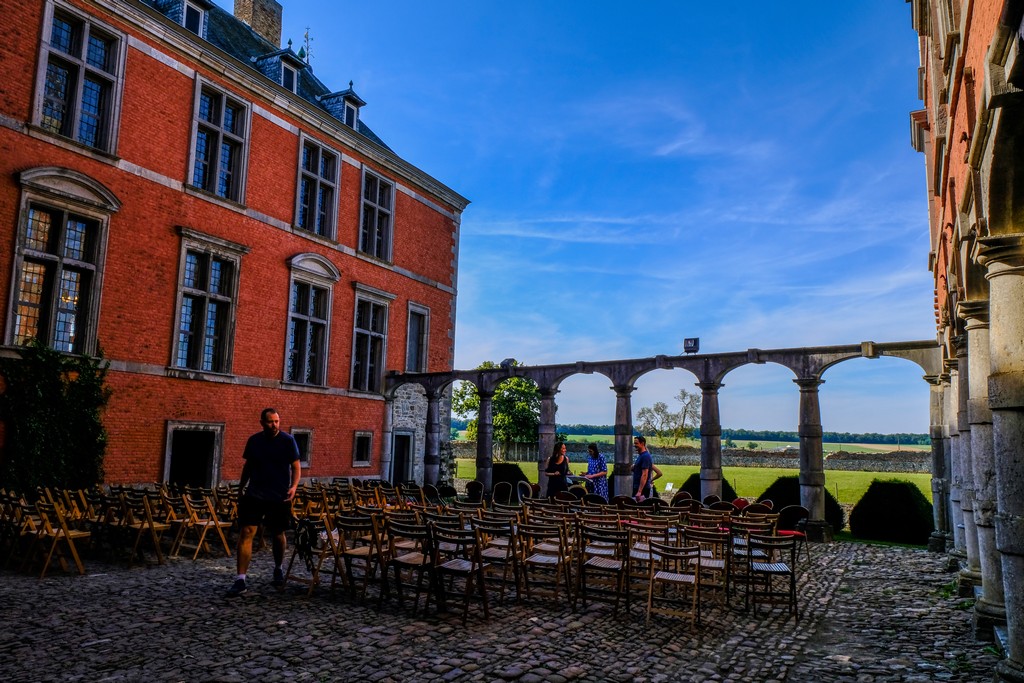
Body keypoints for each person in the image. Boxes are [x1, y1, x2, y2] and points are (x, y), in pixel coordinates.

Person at [227, 407, 301, 597]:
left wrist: (294, 487)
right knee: (246, 532)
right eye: (270, 421)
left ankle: (278, 567)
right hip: (255, 493)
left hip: (279, 494)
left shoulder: (288, 440)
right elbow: (248, 466)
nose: (274, 425)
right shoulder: (254, 441)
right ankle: (240, 579)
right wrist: (241, 487)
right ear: (262, 422)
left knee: (277, 533)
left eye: (277, 421)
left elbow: (296, 466)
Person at [632, 435, 655, 501]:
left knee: (640, 509)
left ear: (642, 443)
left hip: (643, 489)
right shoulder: (641, 456)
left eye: (636, 443)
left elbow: (644, 474)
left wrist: (639, 491)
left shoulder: (645, 456)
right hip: (637, 487)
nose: (634, 445)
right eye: (634, 443)